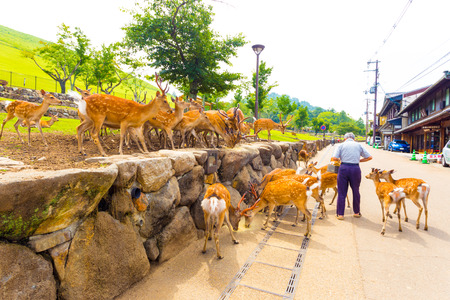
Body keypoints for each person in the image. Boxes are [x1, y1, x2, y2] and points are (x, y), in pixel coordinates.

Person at [331, 132, 372, 220]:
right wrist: (359, 160)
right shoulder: (359, 145)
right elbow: (369, 157)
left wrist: (340, 160)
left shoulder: (340, 145)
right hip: (355, 168)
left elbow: (334, 158)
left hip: (343, 168)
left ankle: (340, 214)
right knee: (356, 191)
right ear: (354, 138)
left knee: (342, 192)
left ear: (345, 139)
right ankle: (356, 212)